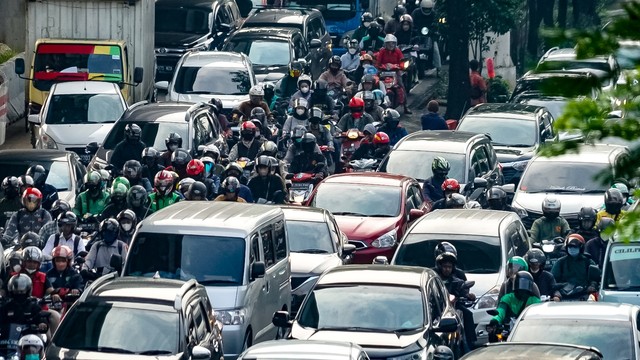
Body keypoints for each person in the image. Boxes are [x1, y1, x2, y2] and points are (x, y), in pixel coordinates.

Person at [433, 250, 477, 348]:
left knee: (468, 314)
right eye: (444, 266)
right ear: (440, 267)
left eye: (449, 267)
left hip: (453, 307)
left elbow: (464, 291)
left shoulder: (457, 281)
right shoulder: (433, 279)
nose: (447, 269)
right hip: (436, 307)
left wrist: (468, 296)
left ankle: (470, 344)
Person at [376, 34, 411, 114]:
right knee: (376, 83)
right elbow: (378, 62)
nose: (391, 45)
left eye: (392, 43)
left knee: (401, 85)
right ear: (385, 44)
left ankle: (406, 106)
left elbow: (402, 61)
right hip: (383, 72)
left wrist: (398, 66)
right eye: (388, 43)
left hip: (395, 72)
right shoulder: (382, 51)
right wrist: (381, 66)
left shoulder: (398, 51)